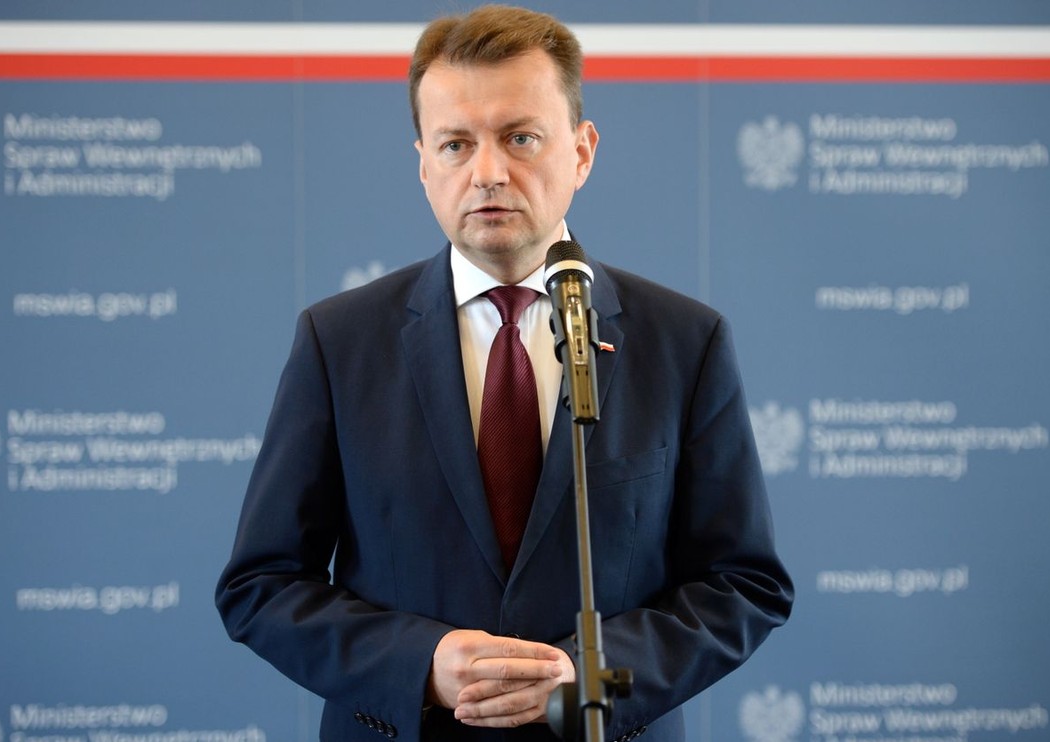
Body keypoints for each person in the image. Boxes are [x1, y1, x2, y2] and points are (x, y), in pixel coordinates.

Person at [216, 5, 793, 741]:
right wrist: (419, 664)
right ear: (424, 164)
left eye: (520, 138)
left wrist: (587, 678)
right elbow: (261, 585)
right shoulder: (338, 342)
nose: (487, 172)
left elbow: (743, 584)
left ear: (581, 152)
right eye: (456, 144)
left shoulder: (685, 342)